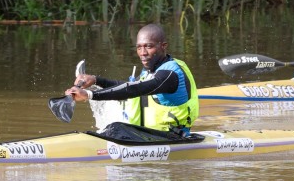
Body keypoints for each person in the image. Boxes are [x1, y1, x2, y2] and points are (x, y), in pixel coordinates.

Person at [65, 23, 200, 135]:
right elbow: (128, 86)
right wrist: (95, 80)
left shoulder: (170, 75)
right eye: (139, 47)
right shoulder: (150, 71)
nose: (143, 53)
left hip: (173, 138)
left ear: (163, 46)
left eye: (148, 46)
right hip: (147, 136)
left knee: (116, 128)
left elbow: (134, 89)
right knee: (115, 127)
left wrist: (89, 95)